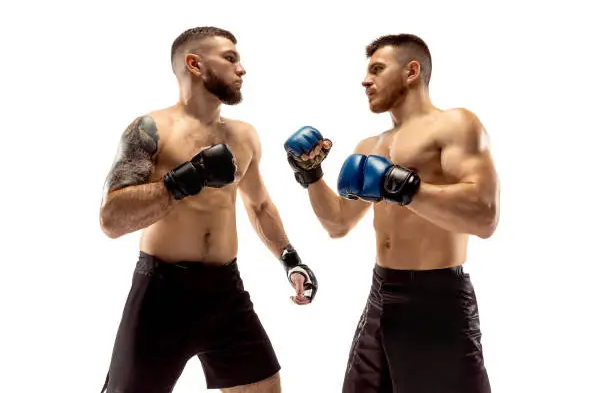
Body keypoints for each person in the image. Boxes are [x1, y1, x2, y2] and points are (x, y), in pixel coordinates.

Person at [98, 26, 318, 393]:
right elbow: (111, 219)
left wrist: (290, 259)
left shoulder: (244, 136)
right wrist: (186, 179)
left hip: (224, 291)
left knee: (263, 387)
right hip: (162, 292)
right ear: (194, 64)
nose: (242, 68)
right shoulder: (150, 129)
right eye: (230, 58)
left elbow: (260, 205)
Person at [284, 33, 500, 393]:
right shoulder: (371, 147)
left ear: (412, 71)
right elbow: (337, 223)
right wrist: (311, 175)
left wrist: (401, 186)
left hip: (436, 298)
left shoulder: (456, 124)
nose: (365, 80)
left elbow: (485, 216)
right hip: (380, 295)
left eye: (377, 69)